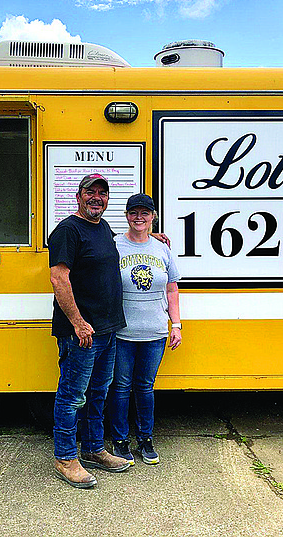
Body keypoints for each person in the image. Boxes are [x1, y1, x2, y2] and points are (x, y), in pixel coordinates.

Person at [48, 173, 132, 488]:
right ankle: (66, 458)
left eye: (102, 193)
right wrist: (78, 322)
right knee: (72, 396)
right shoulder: (68, 230)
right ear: (79, 196)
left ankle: (94, 449)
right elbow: (59, 278)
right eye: (90, 192)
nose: (97, 197)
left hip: (108, 329)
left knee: (99, 393)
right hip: (82, 333)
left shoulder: (103, 228)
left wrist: (152, 235)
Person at [109, 193, 182, 465]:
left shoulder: (162, 248)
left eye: (145, 213)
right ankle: (119, 440)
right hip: (121, 332)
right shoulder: (114, 245)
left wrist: (176, 324)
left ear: (153, 216)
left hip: (155, 332)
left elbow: (172, 288)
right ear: (127, 215)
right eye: (134, 212)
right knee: (121, 387)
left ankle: (146, 438)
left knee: (145, 387)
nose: (139, 217)